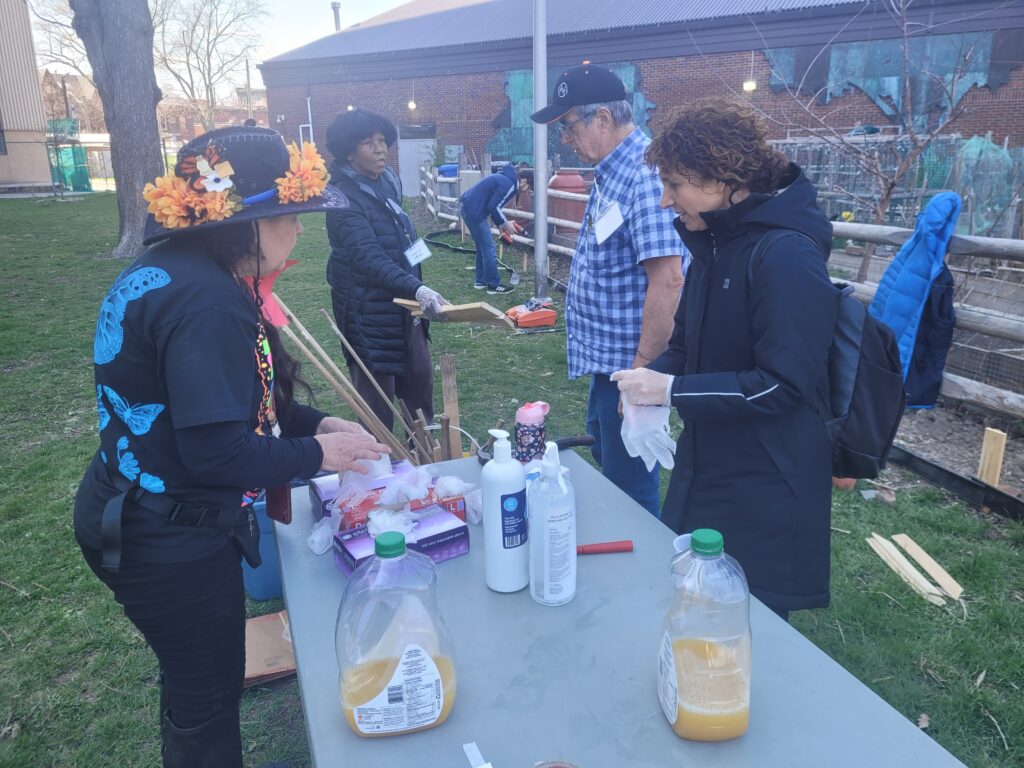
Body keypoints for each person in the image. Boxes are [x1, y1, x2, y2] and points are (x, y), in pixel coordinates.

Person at [74, 126, 391, 767]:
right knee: (206, 698)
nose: (298, 232)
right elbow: (216, 452)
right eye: (286, 218)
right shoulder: (206, 303)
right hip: (166, 534)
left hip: (142, 510)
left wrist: (318, 425)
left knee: (197, 683)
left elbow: (244, 403)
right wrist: (320, 458)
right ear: (241, 222)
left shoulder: (189, 274)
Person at [611, 98, 838, 619]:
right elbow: (688, 349)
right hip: (712, 462)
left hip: (768, 481)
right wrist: (648, 381)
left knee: (747, 626)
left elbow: (783, 384)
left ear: (721, 178)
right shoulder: (715, 246)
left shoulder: (785, 255)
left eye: (675, 184)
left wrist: (671, 393)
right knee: (693, 603)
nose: (667, 201)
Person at [530, 63, 685, 516]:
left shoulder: (645, 176)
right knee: (612, 463)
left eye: (568, 126)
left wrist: (641, 373)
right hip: (609, 365)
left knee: (631, 491)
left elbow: (669, 280)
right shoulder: (612, 170)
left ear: (602, 118)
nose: (565, 138)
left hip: (629, 369)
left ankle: (640, 577)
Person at [325, 108, 449, 430]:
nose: (381, 148)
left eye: (382, 140)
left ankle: (423, 465)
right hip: (369, 313)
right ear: (348, 153)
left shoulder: (386, 183)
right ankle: (375, 473)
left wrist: (413, 287)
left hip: (406, 307)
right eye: (369, 143)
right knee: (376, 406)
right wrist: (417, 288)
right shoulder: (342, 198)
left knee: (419, 388)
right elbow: (368, 257)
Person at [459, 162, 532, 293]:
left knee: (482, 247)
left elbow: (492, 205)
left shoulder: (505, 179)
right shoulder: (509, 184)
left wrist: (500, 224)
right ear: (524, 181)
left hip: (469, 209)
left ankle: (480, 281)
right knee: (489, 247)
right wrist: (505, 223)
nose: (529, 190)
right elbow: (493, 207)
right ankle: (493, 285)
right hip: (474, 212)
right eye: (530, 187)